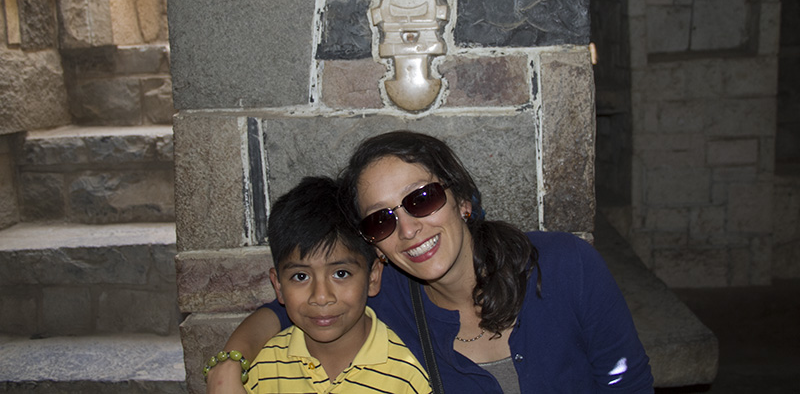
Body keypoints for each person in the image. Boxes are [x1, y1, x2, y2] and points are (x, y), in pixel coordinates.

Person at [207, 132, 654, 393]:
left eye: (421, 199)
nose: (407, 229)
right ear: (374, 248)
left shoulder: (563, 266)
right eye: (382, 220)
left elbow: (627, 383)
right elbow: (282, 310)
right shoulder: (386, 298)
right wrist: (229, 363)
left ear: (461, 199)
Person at [230, 176, 432, 394]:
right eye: (300, 277)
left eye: (341, 273)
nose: (321, 296)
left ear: (373, 277)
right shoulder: (261, 370)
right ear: (278, 286)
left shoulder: (408, 374)